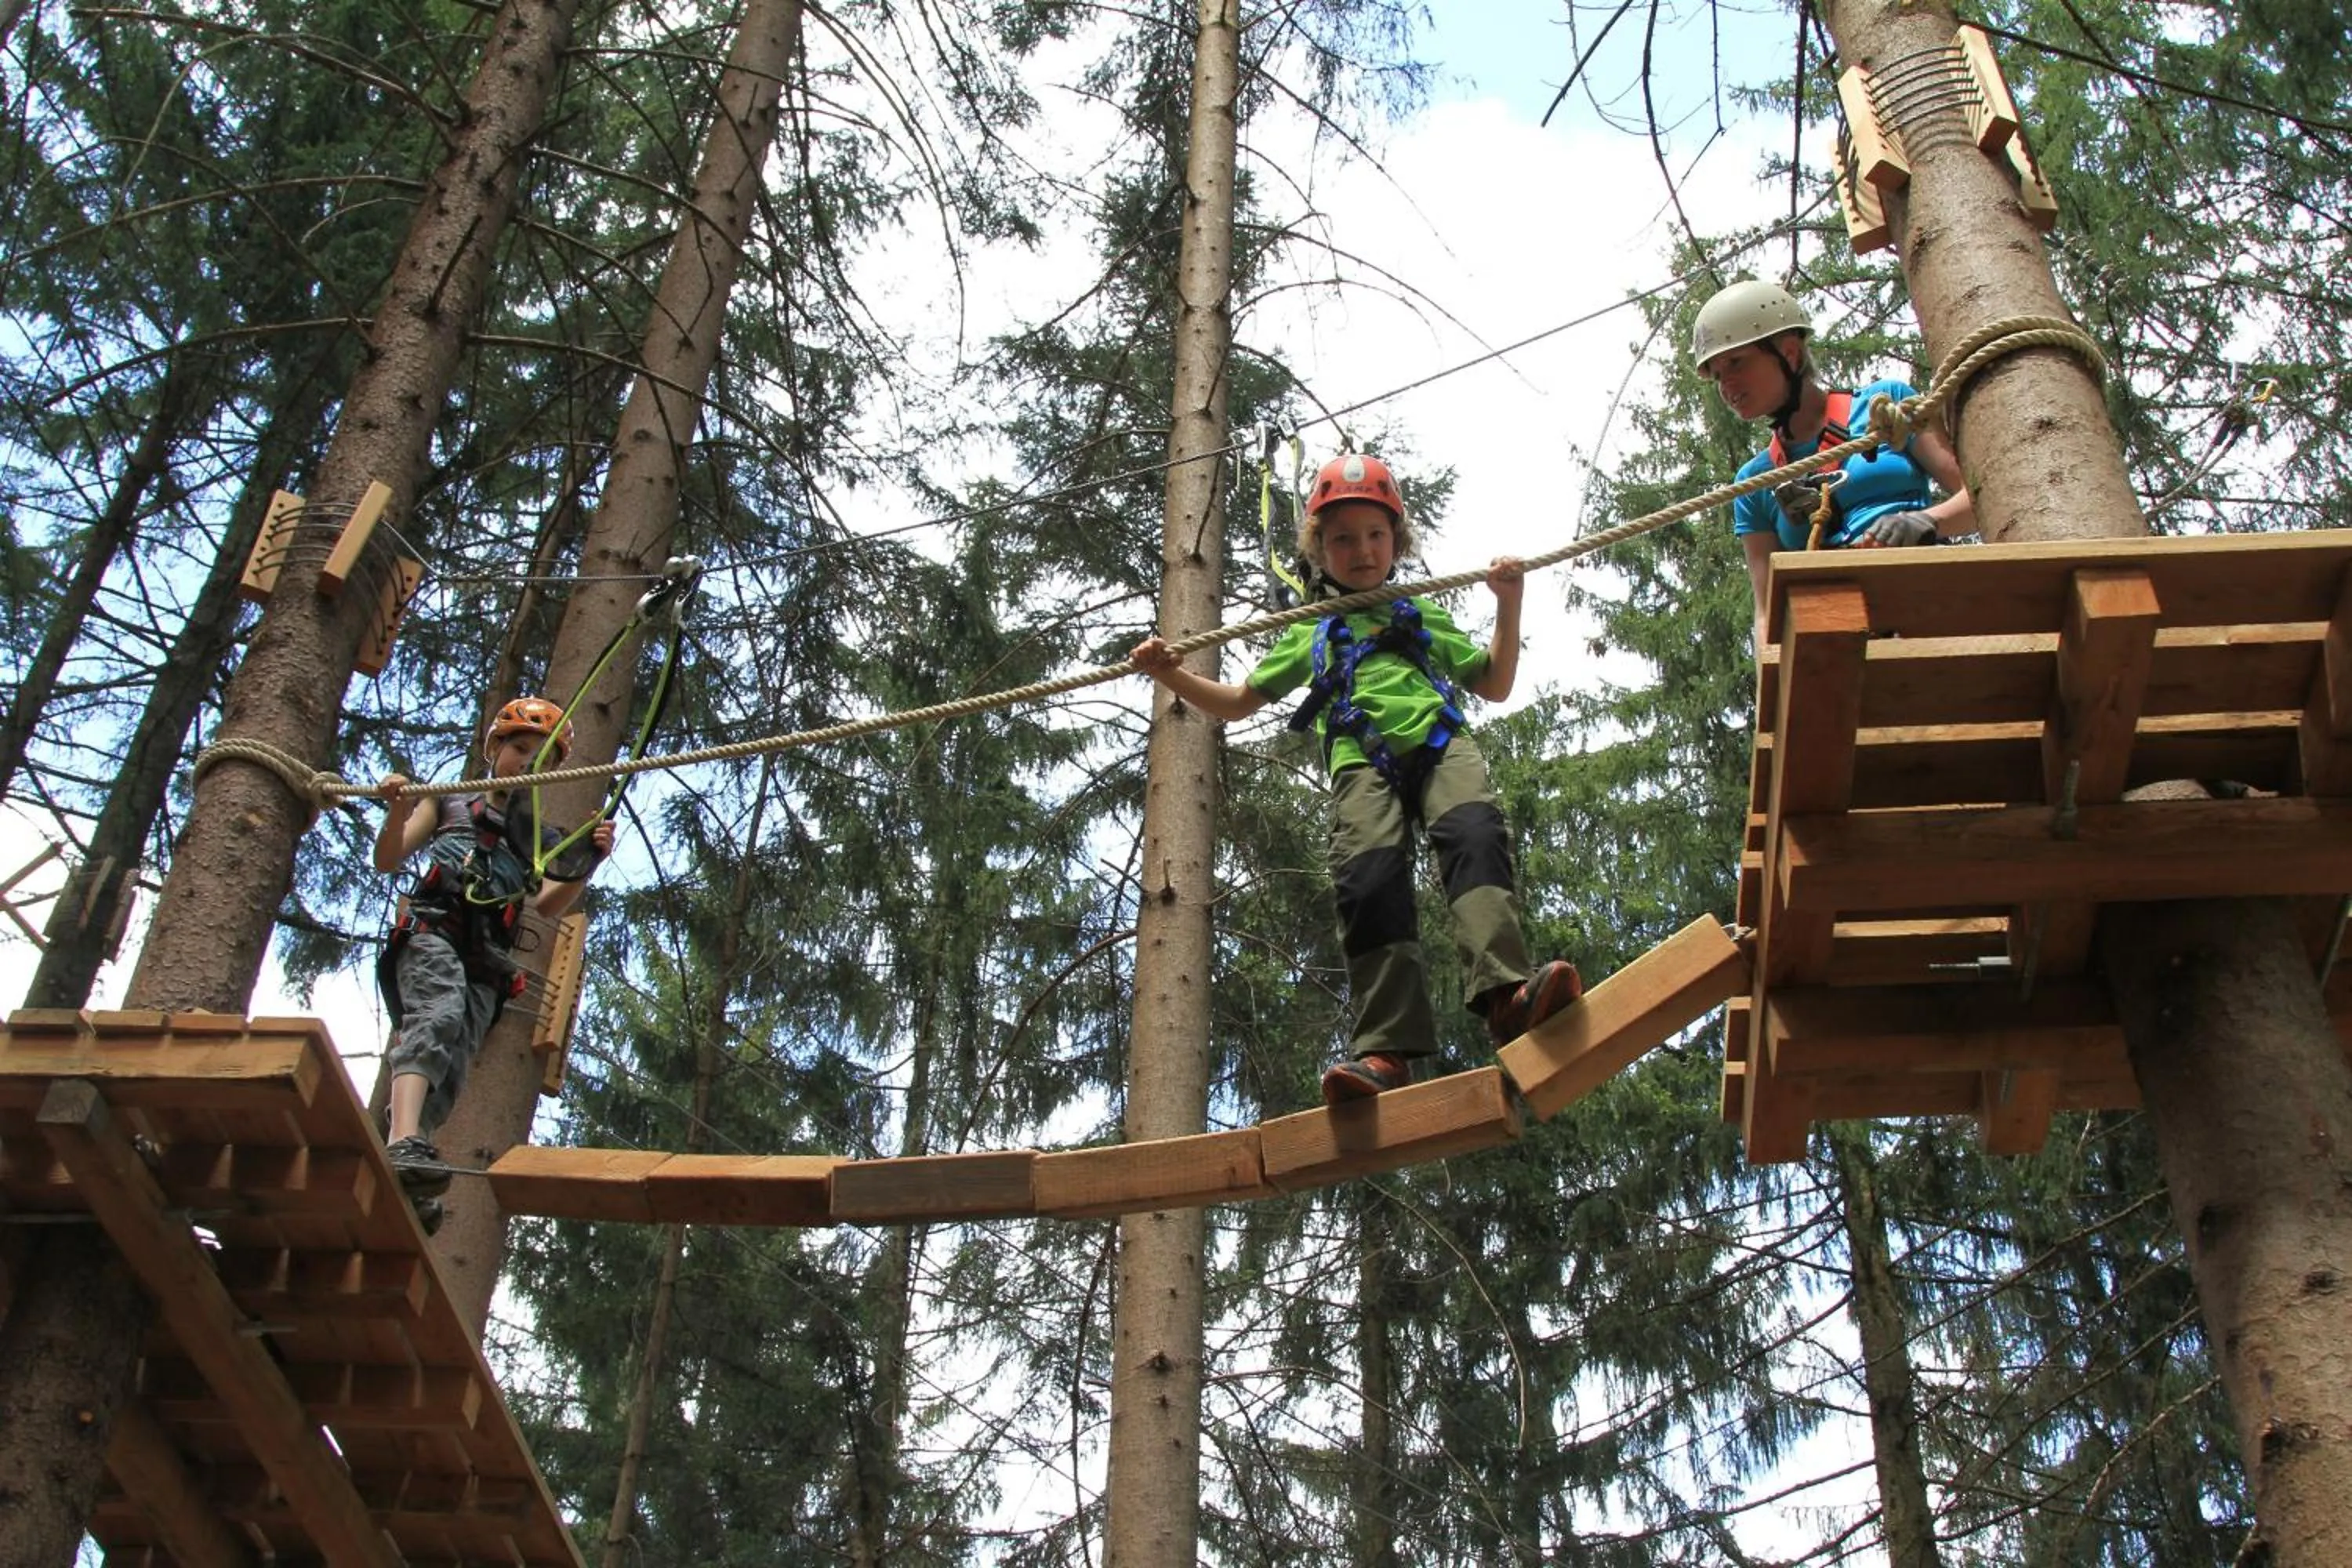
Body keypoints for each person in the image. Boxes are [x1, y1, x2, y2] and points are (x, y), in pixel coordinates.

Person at [1132, 452, 1583, 1105]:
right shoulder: (1308, 631)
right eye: (1343, 539)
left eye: (1375, 535)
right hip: (1359, 759)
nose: (1363, 550)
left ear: (1396, 542)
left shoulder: (1416, 613)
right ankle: (1385, 1051)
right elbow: (1236, 702)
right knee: (1369, 882)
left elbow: (1495, 680)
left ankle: (1506, 995)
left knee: (1474, 836)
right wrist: (1169, 674)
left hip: (1440, 743)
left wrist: (1508, 603)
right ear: (1320, 550)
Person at [373, 695, 613, 1226]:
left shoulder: (541, 840)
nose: (527, 762)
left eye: (540, 757)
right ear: (495, 749)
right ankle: (401, 1138)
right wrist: (396, 808)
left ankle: (409, 1162)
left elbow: (548, 902)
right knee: (436, 1015)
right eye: (520, 749)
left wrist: (589, 860)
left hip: (486, 959)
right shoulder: (449, 802)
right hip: (436, 930)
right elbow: (389, 857)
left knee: (455, 1056)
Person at [1691, 279, 1976, 643]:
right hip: (1837, 638)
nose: (1726, 384)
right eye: (1716, 374)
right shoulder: (1755, 483)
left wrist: (1926, 521)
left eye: (1736, 362)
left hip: (1922, 600)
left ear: (1790, 354)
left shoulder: (1884, 407)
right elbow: (1766, 613)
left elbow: (1978, 499)